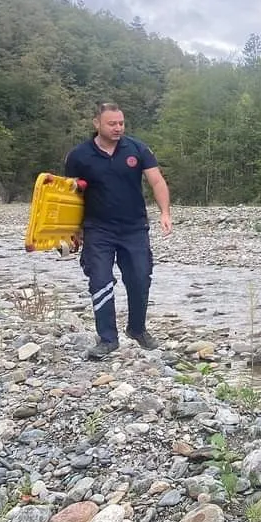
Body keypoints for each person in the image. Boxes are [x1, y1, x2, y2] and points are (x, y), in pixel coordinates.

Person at [64, 102, 172, 360]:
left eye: (121, 123)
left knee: (140, 278)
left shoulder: (137, 149)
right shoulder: (79, 156)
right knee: (100, 281)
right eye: (112, 123)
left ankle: (137, 329)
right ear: (96, 124)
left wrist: (165, 213)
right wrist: (72, 229)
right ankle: (107, 339)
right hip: (97, 228)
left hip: (134, 227)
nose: (118, 128)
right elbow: (68, 195)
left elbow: (156, 180)